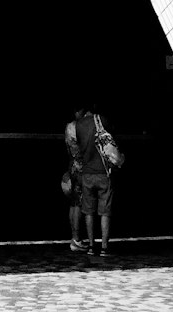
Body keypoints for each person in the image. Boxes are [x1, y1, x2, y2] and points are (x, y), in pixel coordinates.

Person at [65, 104, 113, 256]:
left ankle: (91, 246)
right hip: (102, 171)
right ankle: (104, 247)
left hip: (85, 172)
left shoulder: (76, 126)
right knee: (105, 212)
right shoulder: (102, 120)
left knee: (87, 211)